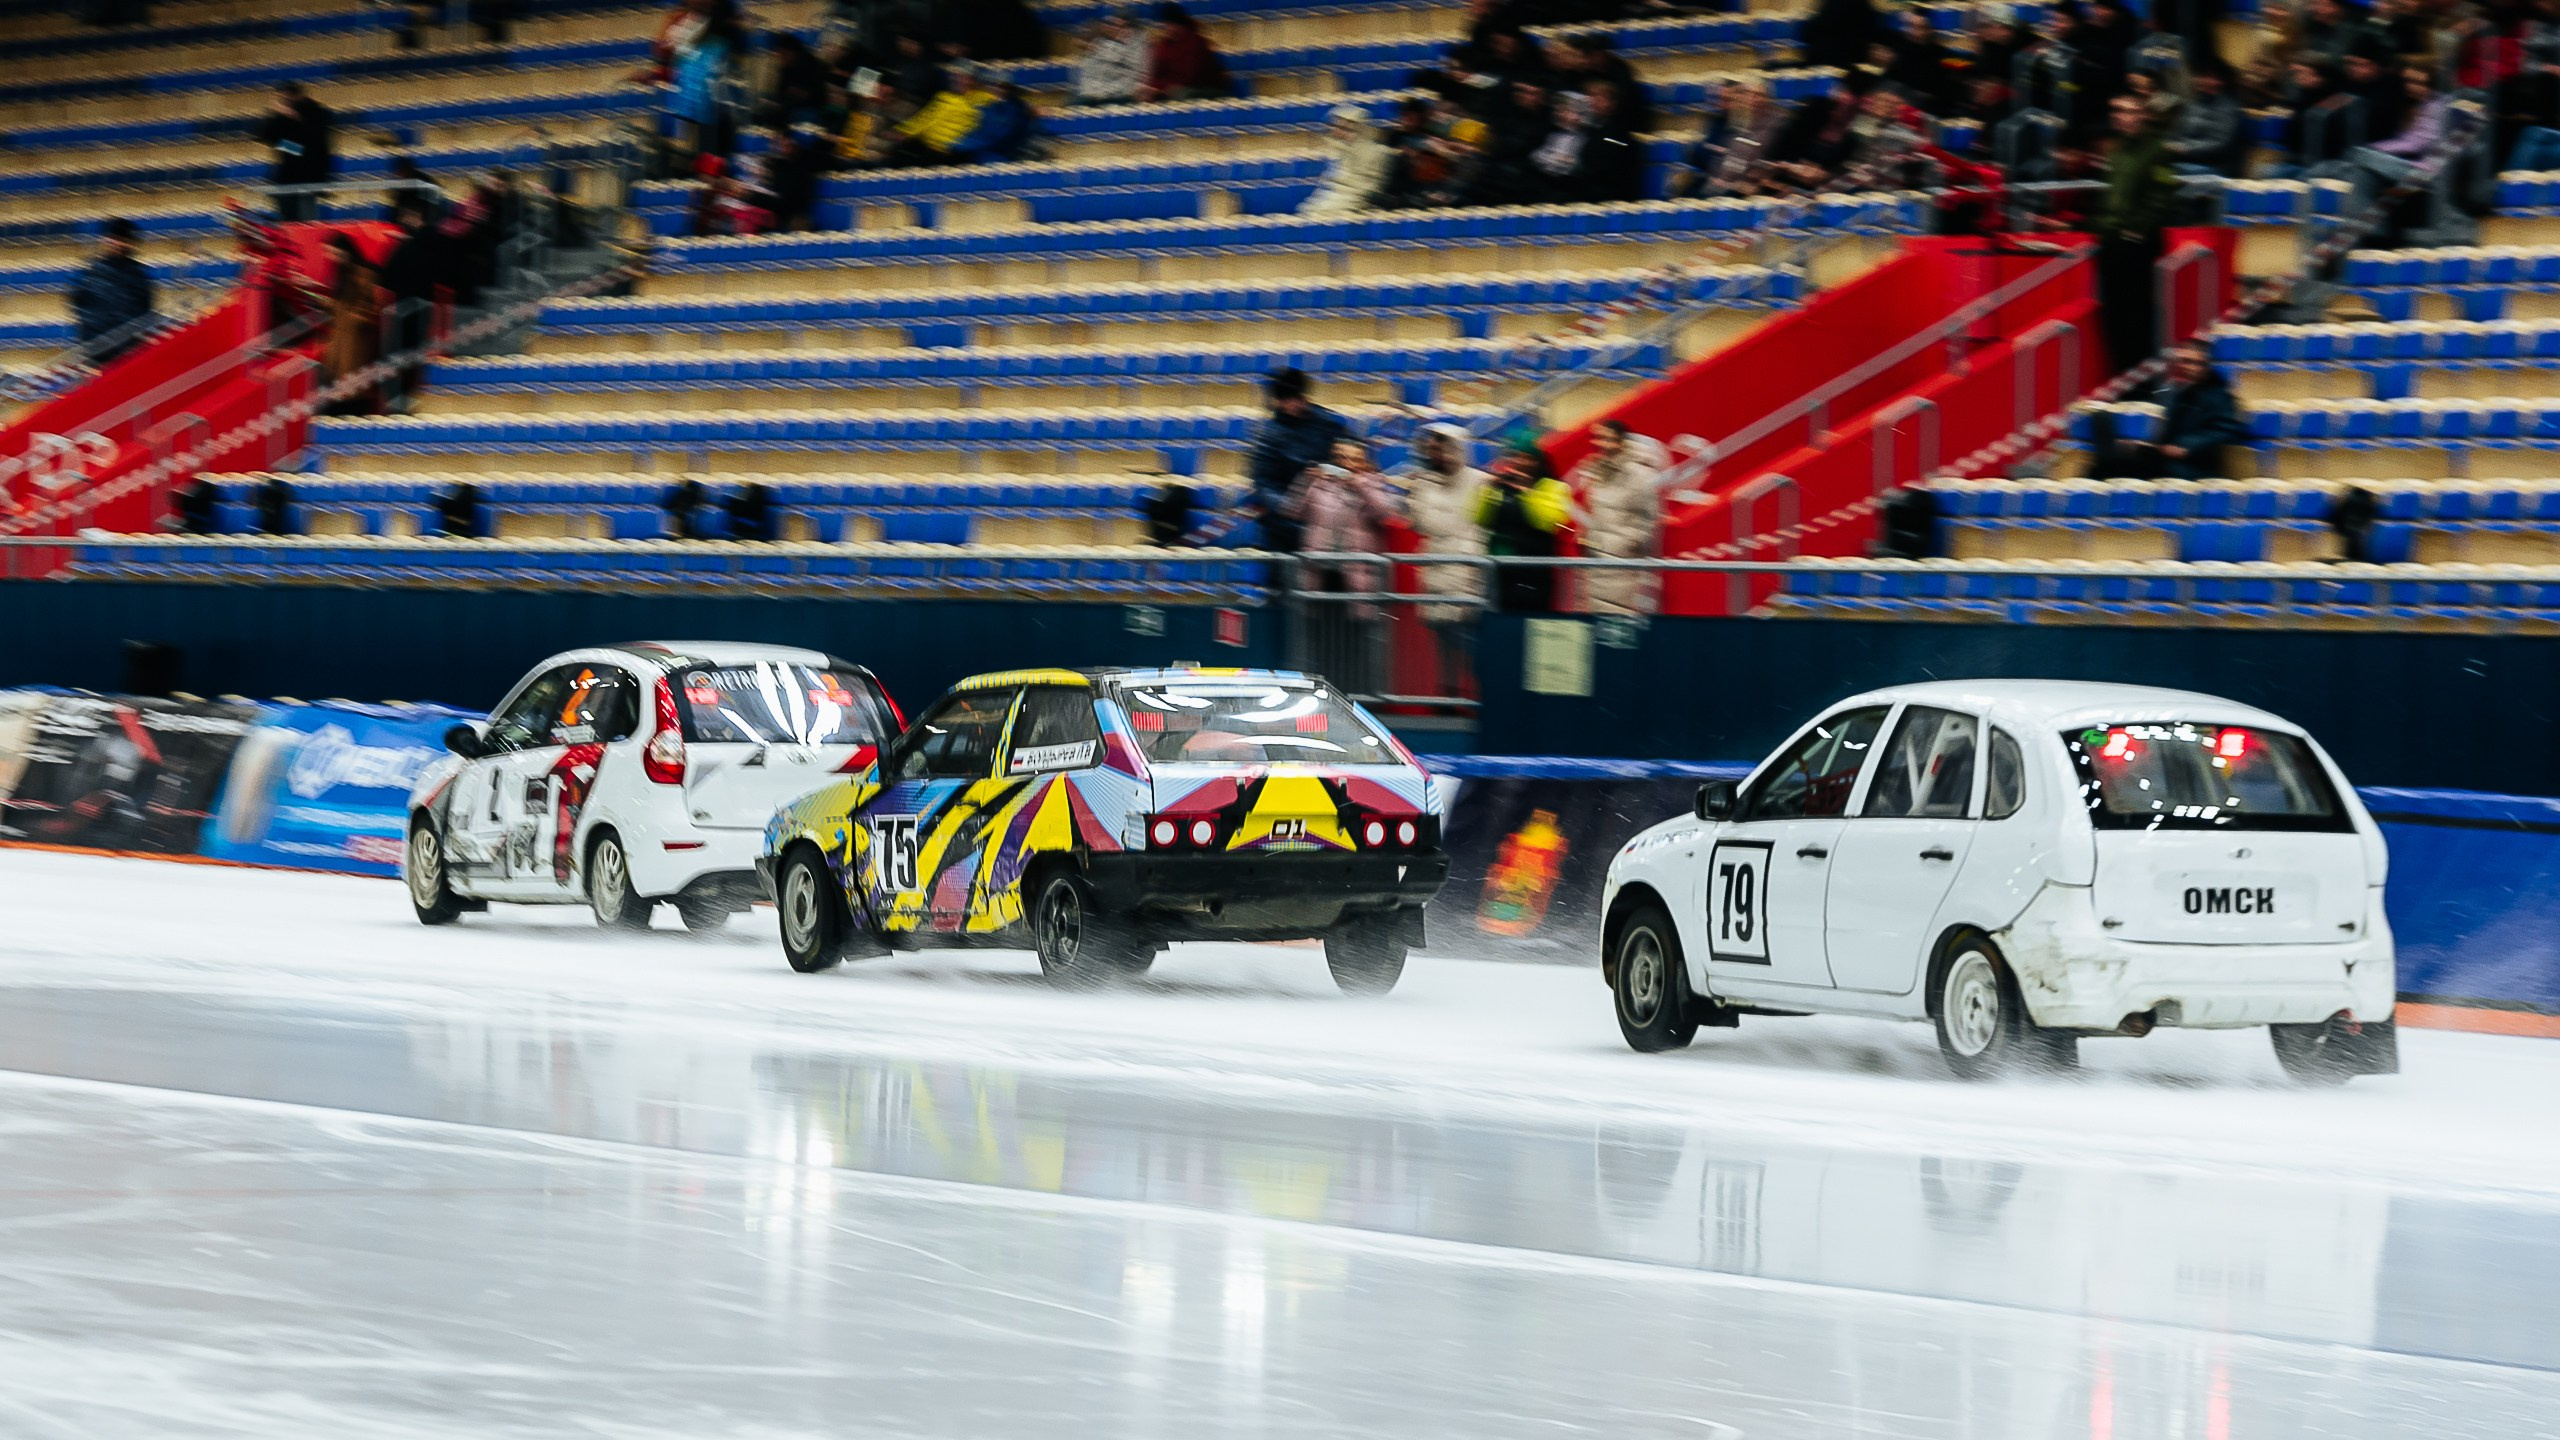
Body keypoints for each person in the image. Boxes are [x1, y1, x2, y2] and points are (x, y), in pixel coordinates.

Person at [1283, 440, 1398, 695]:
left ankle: (1356, 695)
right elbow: (1292, 510)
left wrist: (1360, 486)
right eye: (1340, 457)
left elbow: (1385, 513)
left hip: (1356, 577)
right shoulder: (1321, 485)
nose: (1344, 463)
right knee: (1321, 640)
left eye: (1352, 458)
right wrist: (1307, 480)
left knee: (1356, 641)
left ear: (1364, 462)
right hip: (1321, 574)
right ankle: (1322, 693)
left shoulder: (1374, 484)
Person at [1397, 422, 1489, 693]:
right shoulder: (1423, 484)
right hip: (1435, 567)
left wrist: (1473, 562)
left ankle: (1480, 698)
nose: (1435, 453)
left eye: (1441, 448)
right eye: (1432, 449)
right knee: (1443, 643)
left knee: (1472, 643)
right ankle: (1447, 698)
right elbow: (1418, 523)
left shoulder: (1479, 482)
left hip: (1468, 568)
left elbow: (1483, 527)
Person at [2095, 92, 2180, 377]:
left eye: (2127, 110)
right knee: (2114, 317)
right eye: (2116, 110)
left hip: (2137, 246)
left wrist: (2137, 230)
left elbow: (2161, 197)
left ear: (2141, 115)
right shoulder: (2117, 151)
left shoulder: (2156, 151)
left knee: (2137, 317)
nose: (2120, 115)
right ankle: (2121, 378)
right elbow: (2110, 199)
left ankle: (2140, 381)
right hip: (2112, 244)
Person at [2090, 340, 2254, 480]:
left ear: (2205, 366)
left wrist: (2186, 446)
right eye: (2183, 361)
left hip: (2192, 468)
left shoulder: (2219, 396)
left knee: (2109, 468)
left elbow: (2228, 428)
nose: (2186, 367)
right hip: (2165, 461)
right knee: (2107, 462)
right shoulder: (2176, 392)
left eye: (2193, 362)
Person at [1246, 367, 1350, 551]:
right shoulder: (1268, 436)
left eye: (1296, 398)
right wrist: (1289, 507)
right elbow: (1263, 483)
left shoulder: (1329, 424)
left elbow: (1353, 459)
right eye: (1287, 400)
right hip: (1286, 527)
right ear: (1278, 401)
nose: (1293, 404)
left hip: (1331, 514)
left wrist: (1330, 472)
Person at [1566, 420, 1663, 616]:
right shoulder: (1598, 473)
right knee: (1596, 623)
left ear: (1621, 443)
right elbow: (1598, 514)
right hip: (1596, 562)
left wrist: (1618, 547)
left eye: (1607, 439)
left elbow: (1647, 524)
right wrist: (1587, 536)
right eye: (1599, 438)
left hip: (1622, 565)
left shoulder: (1639, 477)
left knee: (1618, 624)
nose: (1601, 444)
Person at [1477, 443, 1570, 613]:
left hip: (1536, 572)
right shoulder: (1504, 487)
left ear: (1538, 462)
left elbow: (1545, 521)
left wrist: (1527, 491)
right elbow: (1479, 517)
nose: (1522, 462)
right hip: (1502, 570)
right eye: (1518, 457)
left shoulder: (1554, 487)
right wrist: (1489, 489)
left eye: (1528, 458)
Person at [67, 217, 156, 366]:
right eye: (115, 239)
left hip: (126, 353)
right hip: (100, 352)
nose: (118, 244)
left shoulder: (138, 276)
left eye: (123, 239)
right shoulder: (93, 273)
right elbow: (80, 308)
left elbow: (145, 313)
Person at [318, 232, 380, 416]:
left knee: (352, 382)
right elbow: (340, 304)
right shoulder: (342, 273)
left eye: (335, 253)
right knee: (337, 378)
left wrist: (352, 319)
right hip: (340, 337)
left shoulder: (363, 274)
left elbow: (368, 306)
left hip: (355, 338)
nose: (332, 258)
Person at [888, 64, 997, 164]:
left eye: (963, 77)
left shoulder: (983, 98)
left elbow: (987, 121)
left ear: (972, 80)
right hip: (929, 147)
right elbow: (926, 117)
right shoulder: (944, 97)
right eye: (955, 77)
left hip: (955, 150)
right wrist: (904, 131)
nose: (958, 80)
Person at [259, 82, 335, 223]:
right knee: (287, 221)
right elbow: (266, 136)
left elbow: (309, 147)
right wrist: (278, 113)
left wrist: (287, 145)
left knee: (306, 222)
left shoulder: (314, 112)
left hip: (308, 176)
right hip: (287, 177)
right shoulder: (283, 116)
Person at [1301, 104, 1392, 216]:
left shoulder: (1377, 152)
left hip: (1356, 201)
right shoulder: (1340, 150)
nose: (1338, 132)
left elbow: (1370, 188)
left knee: (1318, 214)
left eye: (1345, 128)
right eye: (1336, 127)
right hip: (1335, 196)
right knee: (1308, 211)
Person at [1139, 4, 1229, 102]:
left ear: (1179, 25)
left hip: (1205, 88)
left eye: (1169, 24)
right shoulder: (1164, 45)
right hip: (1174, 88)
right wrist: (1151, 88)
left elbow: (1188, 78)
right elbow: (1158, 71)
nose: (1166, 28)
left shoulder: (1195, 41)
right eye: (1165, 24)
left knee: (1179, 93)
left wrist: (1160, 89)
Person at [948, 80, 1040, 164]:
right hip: (984, 150)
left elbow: (991, 136)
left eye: (999, 87)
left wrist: (960, 146)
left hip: (997, 155)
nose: (994, 89)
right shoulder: (993, 108)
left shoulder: (1010, 112)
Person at [1073, 12, 1149, 105]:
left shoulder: (1139, 47)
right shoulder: (1110, 43)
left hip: (1122, 94)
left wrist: (1092, 47)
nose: (1118, 29)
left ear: (1132, 29)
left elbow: (1134, 76)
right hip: (1101, 92)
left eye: (1123, 26)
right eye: (1116, 26)